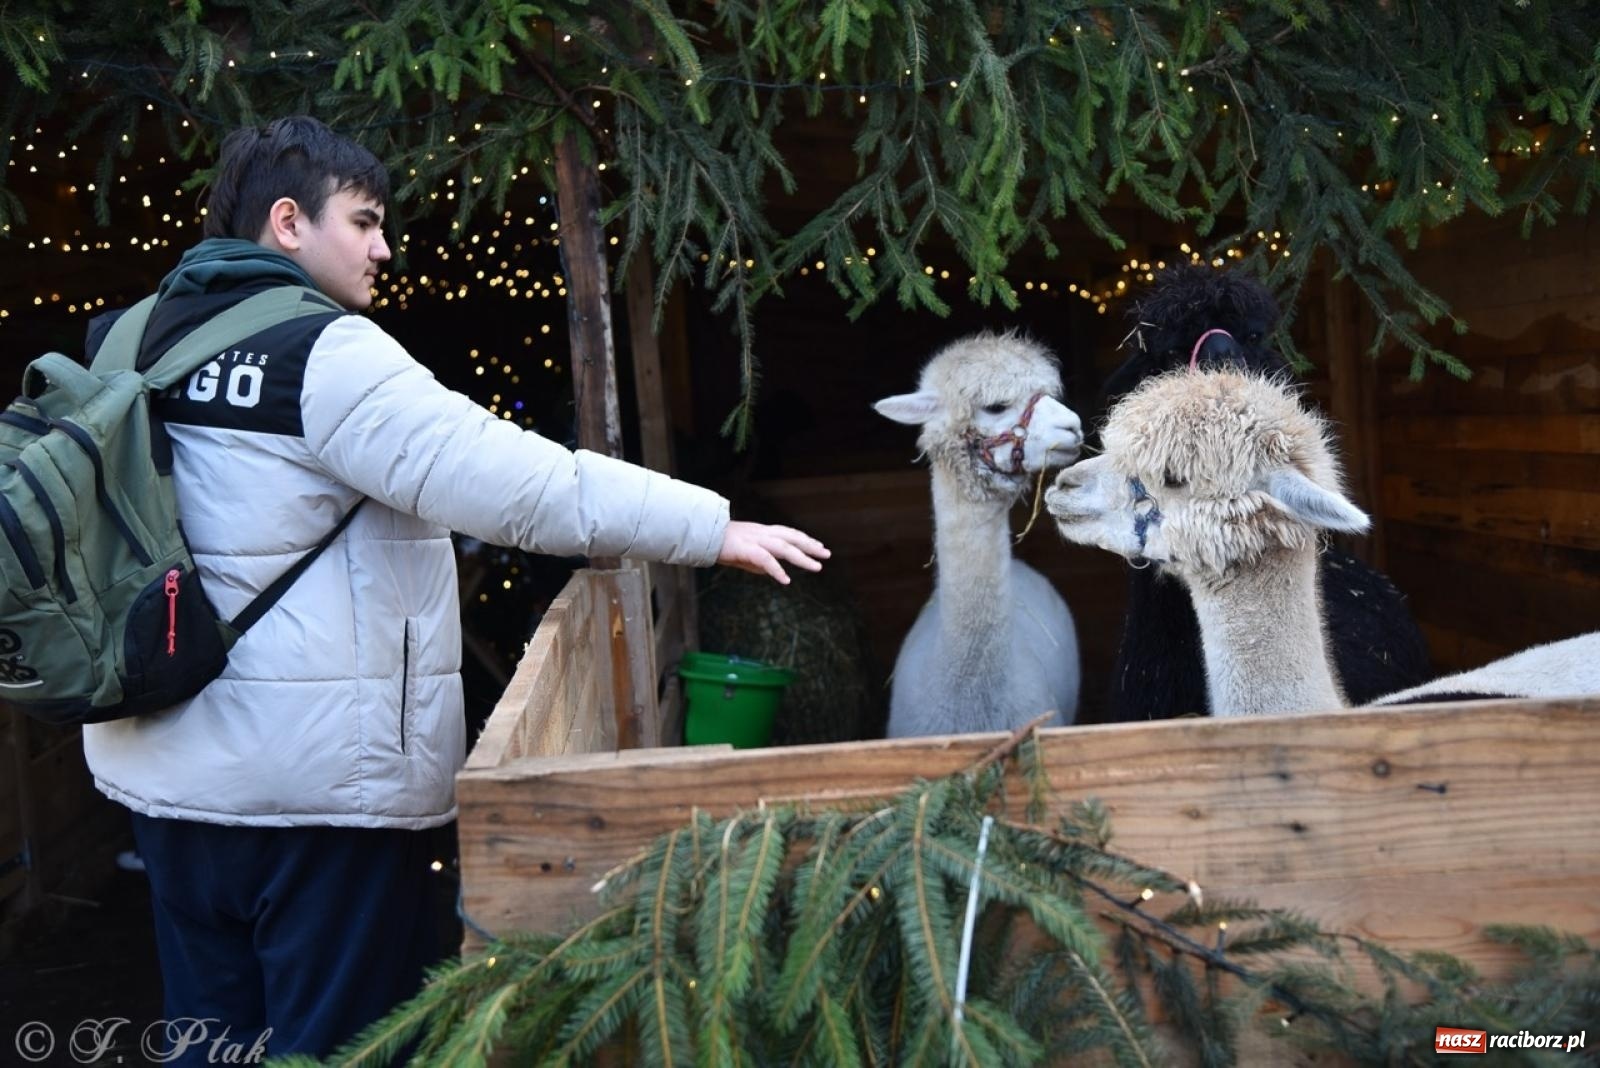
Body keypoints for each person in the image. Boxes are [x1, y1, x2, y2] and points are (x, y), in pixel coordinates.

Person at [80, 115, 829, 1061]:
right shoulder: (326, 355)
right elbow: (521, 486)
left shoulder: (126, 343)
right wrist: (711, 528)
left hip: (164, 785)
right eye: (363, 221)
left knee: (210, 1039)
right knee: (340, 1043)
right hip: (318, 802)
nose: (384, 247)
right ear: (286, 223)